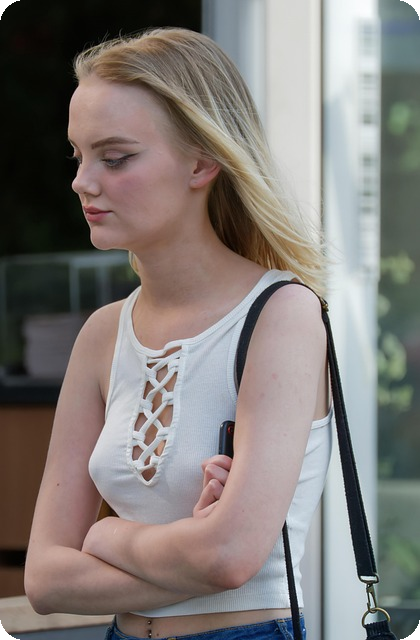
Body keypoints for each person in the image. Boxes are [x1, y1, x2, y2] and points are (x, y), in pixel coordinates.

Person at [24, 27, 332, 640]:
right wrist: (192, 549)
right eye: (78, 156)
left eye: (115, 158)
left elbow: (231, 558)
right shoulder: (102, 335)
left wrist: (109, 535)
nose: (83, 181)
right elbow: (45, 580)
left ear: (202, 162)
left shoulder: (282, 314)